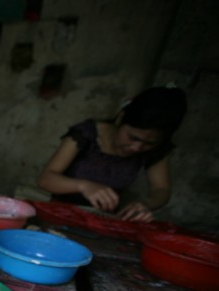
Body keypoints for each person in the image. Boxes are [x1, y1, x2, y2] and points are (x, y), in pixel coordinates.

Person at [37, 86, 187, 222]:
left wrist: (146, 204)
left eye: (149, 143)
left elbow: (161, 190)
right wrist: (83, 186)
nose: (136, 148)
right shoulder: (86, 134)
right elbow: (46, 179)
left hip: (104, 221)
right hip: (59, 216)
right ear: (120, 118)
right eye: (133, 137)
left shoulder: (154, 150)